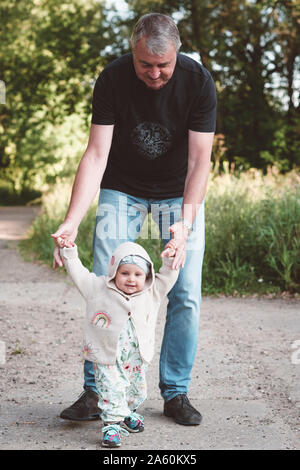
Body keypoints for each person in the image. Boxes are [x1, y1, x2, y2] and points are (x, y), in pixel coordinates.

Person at [52, 12, 216, 426]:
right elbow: (95, 154)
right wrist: (72, 220)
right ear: (133, 52)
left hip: (178, 194)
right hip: (121, 189)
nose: (156, 73)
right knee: (105, 288)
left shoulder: (198, 82)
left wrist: (186, 221)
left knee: (186, 291)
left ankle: (176, 393)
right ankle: (97, 390)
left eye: (164, 65)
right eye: (147, 64)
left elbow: (200, 161)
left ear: (177, 53)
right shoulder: (112, 79)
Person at [57, 237, 179, 447]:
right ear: (114, 271)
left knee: (135, 388)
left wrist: (169, 260)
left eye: (138, 274)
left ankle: (125, 413)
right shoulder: (98, 288)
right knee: (111, 387)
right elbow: (79, 274)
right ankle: (111, 425)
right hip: (107, 355)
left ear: (147, 275)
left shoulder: (153, 291)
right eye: (125, 273)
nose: (131, 279)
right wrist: (69, 253)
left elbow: (168, 277)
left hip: (137, 356)